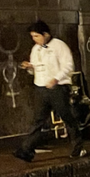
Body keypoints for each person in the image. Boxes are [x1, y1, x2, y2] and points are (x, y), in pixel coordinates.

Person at [14, 20, 86, 162]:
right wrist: (29, 67)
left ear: (45, 34)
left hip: (58, 88)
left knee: (67, 117)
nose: (35, 39)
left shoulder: (59, 46)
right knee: (38, 120)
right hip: (41, 88)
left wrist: (56, 78)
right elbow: (36, 69)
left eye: (36, 36)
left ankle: (78, 147)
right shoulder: (36, 49)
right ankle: (26, 150)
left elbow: (68, 66)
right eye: (33, 37)